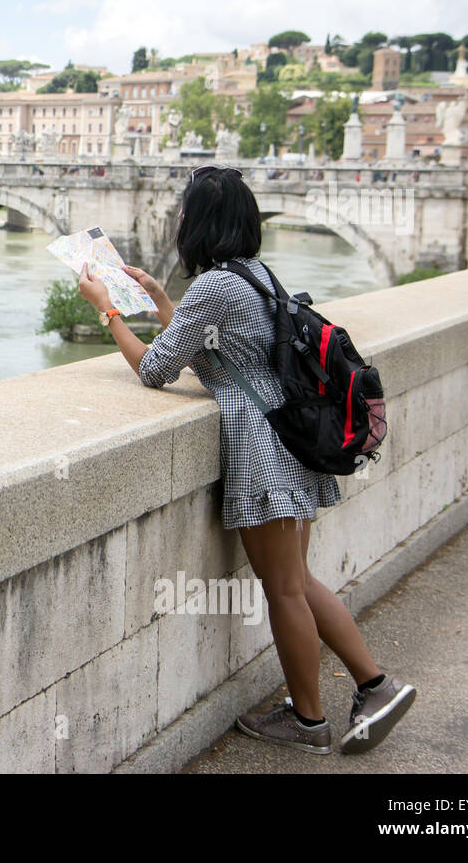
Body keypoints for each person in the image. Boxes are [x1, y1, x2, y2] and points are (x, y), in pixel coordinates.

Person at [76, 165, 415, 755]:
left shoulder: (214, 287)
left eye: (184, 212)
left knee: (284, 589)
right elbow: (210, 349)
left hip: (263, 453)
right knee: (299, 582)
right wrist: (160, 299)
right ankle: (374, 686)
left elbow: (156, 370)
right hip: (293, 443)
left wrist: (107, 312)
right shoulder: (253, 276)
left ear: (198, 223)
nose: (179, 220)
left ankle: (310, 721)